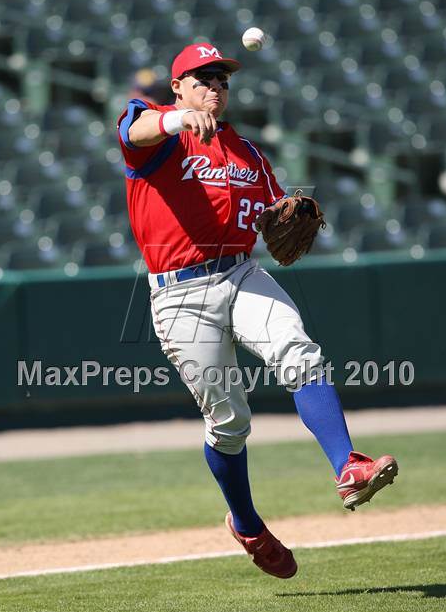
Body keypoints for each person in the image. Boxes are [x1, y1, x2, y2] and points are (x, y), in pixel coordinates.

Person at [117, 43, 398, 580]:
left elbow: (272, 221)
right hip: (179, 294)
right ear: (177, 86)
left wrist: (288, 213)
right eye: (201, 78)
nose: (214, 85)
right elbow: (133, 133)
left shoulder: (247, 153)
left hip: (240, 272)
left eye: (220, 77)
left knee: (298, 351)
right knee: (229, 422)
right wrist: (177, 119)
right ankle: (246, 524)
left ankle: (348, 465)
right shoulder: (156, 132)